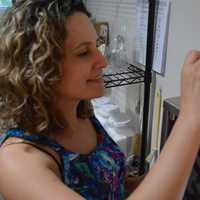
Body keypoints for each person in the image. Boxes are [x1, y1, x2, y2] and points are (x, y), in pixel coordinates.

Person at [0, 0, 200, 200]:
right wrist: (190, 118)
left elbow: (112, 185)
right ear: (39, 69)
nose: (102, 61)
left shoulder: (82, 114)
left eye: (97, 45)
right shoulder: (17, 160)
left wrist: (182, 168)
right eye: (83, 52)